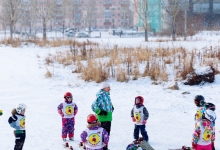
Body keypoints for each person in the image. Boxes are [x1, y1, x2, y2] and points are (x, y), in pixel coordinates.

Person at [91, 82, 113, 150]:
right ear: (104, 88)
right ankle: (100, 147)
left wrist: (111, 107)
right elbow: (93, 105)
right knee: (102, 134)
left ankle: (105, 147)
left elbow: (105, 104)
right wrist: (100, 112)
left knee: (107, 135)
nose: (110, 88)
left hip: (108, 118)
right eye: (108, 87)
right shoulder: (101, 95)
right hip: (102, 119)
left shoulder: (106, 95)